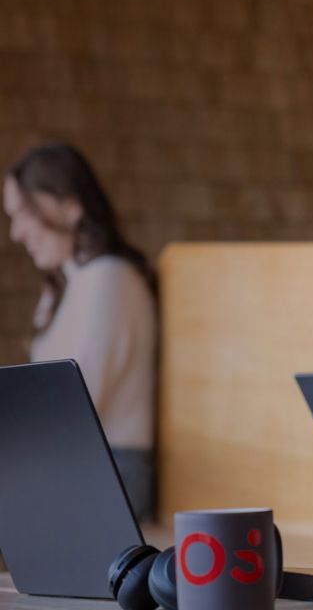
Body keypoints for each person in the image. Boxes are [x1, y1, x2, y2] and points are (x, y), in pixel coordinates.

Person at [4, 141, 158, 521]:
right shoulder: (62, 287)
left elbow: (79, 407)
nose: (15, 233)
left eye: (24, 213)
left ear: (70, 205)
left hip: (111, 471)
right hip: (69, 463)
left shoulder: (110, 278)